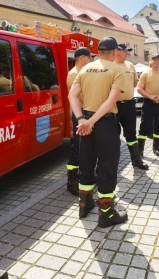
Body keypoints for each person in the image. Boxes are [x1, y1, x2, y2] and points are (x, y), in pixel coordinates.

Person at [68, 37, 128, 228]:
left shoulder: (85, 68)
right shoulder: (117, 69)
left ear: (99, 51)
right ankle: (106, 214)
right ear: (114, 51)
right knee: (107, 166)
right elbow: (111, 102)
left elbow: (72, 95)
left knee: (86, 164)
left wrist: (81, 120)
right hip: (104, 123)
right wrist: (92, 122)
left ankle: (84, 206)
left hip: (85, 121)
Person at [114, 43, 149, 170]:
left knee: (131, 134)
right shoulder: (110, 65)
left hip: (129, 105)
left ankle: (136, 160)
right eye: (125, 51)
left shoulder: (130, 65)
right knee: (112, 135)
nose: (127, 53)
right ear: (117, 51)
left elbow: (134, 82)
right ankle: (112, 163)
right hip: (113, 106)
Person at [65, 47, 94, 196]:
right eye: (89, 57)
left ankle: (80, 176)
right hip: (80, 114)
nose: (91, 60)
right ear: (82, 57)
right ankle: (72, 181)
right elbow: (82, 96)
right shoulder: (74, 74)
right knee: (77, 147)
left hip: (83, 113)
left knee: (83, 146)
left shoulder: (81, 72)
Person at [137, 54, 159, 157]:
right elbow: (139, 89)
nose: (156, 61)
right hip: (148, 103)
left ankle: (156, 148)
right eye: (154, 59)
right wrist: (150, 96)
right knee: (144, 126)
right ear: (150, 61)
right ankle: (140, 150)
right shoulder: (145, 74)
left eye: (158, 60)